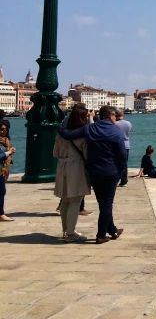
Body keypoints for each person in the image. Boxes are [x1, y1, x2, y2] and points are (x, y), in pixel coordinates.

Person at [58, 104, 126, 244]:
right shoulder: (116, 132)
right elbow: (122, 156)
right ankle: (101, 235)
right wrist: (119, 172)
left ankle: (112, 230)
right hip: (111, 172)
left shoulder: (90, 128)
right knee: (107, 203)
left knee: (103, 203)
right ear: (111, 116)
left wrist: (58, 126)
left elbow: (67, 135)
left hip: (94, 172)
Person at [53, 104, 91, 241]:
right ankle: (70, 233)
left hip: (62, 166)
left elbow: (55, 153)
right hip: (76, 167)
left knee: (65, 199)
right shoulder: (83, 134)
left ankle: (65, 230)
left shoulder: (60, 134)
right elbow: (87, 155)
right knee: (75, 199)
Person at [0, 119, 16, 222]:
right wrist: (8, 153)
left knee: (2, 191)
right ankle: (1, 214)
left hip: (2, 170)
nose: (4, 131)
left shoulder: (5, 141)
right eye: (1, 129)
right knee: (1, 191)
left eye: (6, 129)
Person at [115, 109, 132, 188]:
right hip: (127, 145)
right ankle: (124, 181)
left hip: (117, 145)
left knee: (116, 163)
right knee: (125, 163)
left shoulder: (115, 124)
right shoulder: (128, 123)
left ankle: (116, 180)